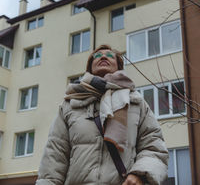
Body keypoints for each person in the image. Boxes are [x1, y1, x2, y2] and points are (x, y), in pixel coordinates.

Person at [36, 44, 168, 185]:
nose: (103, 56)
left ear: (119, 66)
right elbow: (55, 155)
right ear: (90, 68)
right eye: (97, 56)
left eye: (110, 56)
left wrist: (140, 174)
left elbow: (154, 145)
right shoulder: (70, 104)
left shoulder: (135, 102)